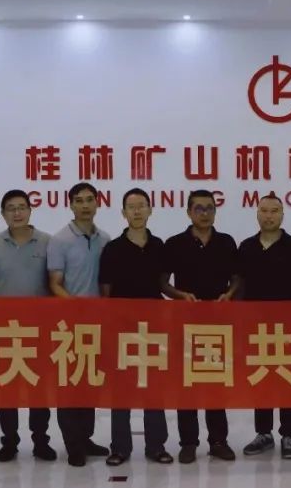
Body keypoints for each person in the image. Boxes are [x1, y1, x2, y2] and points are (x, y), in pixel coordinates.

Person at [160, 190, 239, 464]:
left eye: (209, 208)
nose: (204, 213)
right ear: (188, 212)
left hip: (218, 324)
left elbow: (237, 278)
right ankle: (189, 443)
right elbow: (163, 282)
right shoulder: (175, 244)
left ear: (215, 211)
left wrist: (229, 295)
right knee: (187, 385)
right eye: (198, 208)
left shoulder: (226, 242)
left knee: (216, 384)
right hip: (185, 322)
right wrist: (180, 295)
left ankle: (218, 441)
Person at [98, 188, 174, 465]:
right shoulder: (113, 249)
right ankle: (120, 447)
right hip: (122, 328)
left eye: (142, 205)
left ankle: (156, 446)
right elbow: (105, 291)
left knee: (154, 388)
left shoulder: (159, 246)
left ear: (150, 209)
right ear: (123, 213)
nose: (137, 211)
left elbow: (163, 284)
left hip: (154, 328)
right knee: (122, 389)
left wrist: (182, 297)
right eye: (132, 207)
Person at [0, 190, 57, 463]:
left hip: (39, 328)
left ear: (30, 210)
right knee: (8, 388)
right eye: (11, 208)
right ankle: (10, 442)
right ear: (3, 213)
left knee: (39, 388)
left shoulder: (47, 242)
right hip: (5, 330)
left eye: (22, 207)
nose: (17, 213)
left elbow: (53, 283)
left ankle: (41, 441)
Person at [239, 195, 291, 460]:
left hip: (287, 327)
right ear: (257, 214)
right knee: (262, 377)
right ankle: (263, 433)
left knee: (288, 379)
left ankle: (289, 434)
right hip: (256, 326)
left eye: (274, 211)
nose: (269, 216)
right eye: (264, 211)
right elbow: (240, 285)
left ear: (282, 215)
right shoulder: (246, 247)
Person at [48, 182, 112, 468]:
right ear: (71, 205)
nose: (85, 205)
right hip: (68, 324)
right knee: (69, 384)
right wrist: (77, 307)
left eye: (89, 200)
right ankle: (73, 445)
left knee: (89, 383)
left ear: (97, 203)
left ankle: (86, 438)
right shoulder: (60, 240)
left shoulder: (105, 239)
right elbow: (55, 284)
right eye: (79, 200)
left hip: (97, 324)